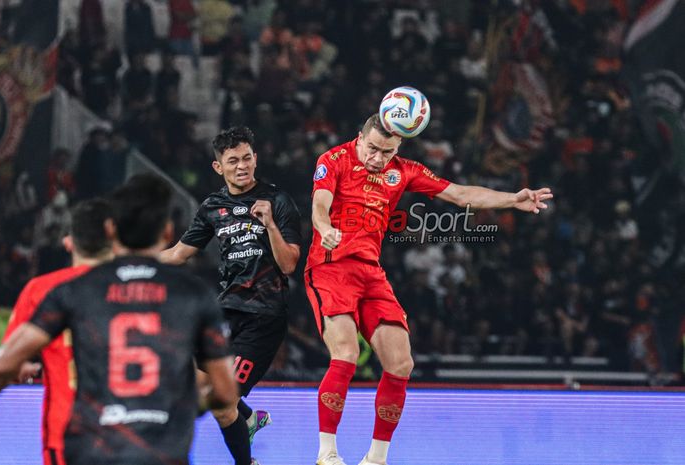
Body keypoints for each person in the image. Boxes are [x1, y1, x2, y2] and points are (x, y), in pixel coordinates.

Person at [306, 114, 553, 465]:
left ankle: (376, 459)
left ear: (399, 147)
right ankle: (327, 454)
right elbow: (318, 205)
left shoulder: (405, 170)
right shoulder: (333, 159)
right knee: (345, 353)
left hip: (370, 273)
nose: (378, 158)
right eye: (372, 149)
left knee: (401, 363)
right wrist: (325, 227)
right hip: (330, 267)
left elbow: (459, 193)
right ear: (359, 138)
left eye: (386, 152)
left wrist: (511, 199)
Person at [0, 174, 238, 465]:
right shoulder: (193, 295)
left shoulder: (74, 291)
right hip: (162, 453)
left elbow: (3, 366)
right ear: (168, 233)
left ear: (111, 230)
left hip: (92, 450)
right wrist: (188, 405)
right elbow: (224, 391)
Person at [161, 126, 301, 465]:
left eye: (248, 158)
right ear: (218, 167)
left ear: (256, 159)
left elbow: (289, 265)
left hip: (264, 317)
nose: (242, 166)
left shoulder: (278, 201)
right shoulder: (213, 207)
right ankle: (248, 418)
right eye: (233, 160)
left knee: (222, 402)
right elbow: (180, 253)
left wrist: (269, 225)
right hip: (225, 312)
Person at [3, 198, 114, 465]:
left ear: (68, 242)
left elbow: (9, 364)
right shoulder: (152, 290)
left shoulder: (40, 290)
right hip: (138, 438)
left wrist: (26, 366)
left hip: (68, 436)